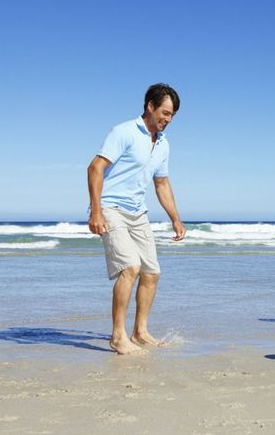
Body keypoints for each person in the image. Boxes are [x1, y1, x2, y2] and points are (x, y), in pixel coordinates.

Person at [87, 83, 186, 355]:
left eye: (172, 115)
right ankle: (118, 336)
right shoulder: (124, 132)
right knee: (130, 267)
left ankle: (140, 332)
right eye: (165, 112)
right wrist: (96, 211)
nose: (168, 119)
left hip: (137, 212)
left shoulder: (163, 144)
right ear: (150, 106)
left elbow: (162, 184)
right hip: (111, 208)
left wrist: (176, 219)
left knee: (152, 272)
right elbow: (95, 167)